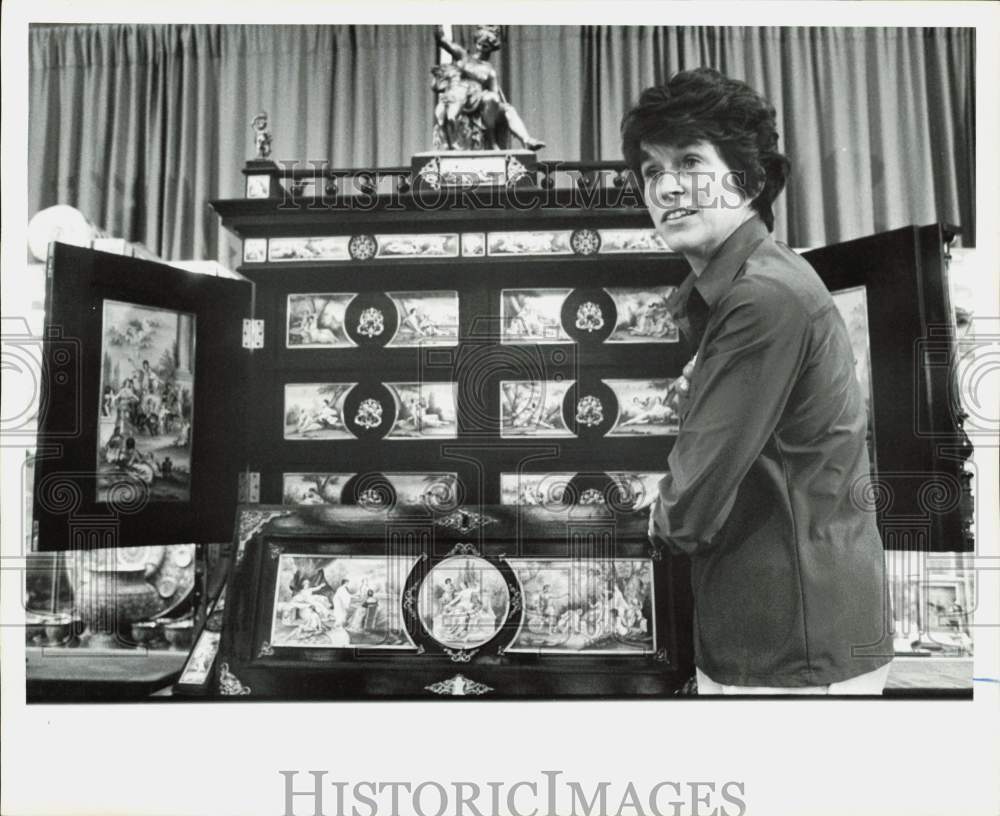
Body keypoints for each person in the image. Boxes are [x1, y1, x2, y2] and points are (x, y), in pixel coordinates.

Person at [623, 68, 893, 694]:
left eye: (689, 160)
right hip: (777, 632)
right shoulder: (755, 284)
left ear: (745, 177)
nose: (666, 187)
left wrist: (632, 511)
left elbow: (688, 511)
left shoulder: (762, 297)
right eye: (652, 171)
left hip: (790, 647)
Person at [432, 25, 545, 152]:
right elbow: (442, 40)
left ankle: (526, 140)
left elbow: (495, 94)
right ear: (477, 42)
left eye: (487, 43)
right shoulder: (463, 56)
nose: (483, 46)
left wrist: (495, 103)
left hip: (480, 102)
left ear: (491, 47)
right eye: (481, 41)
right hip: (462, 98)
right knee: (488, 99)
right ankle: (491, 142)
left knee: (508, 109)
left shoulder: (489, 71)